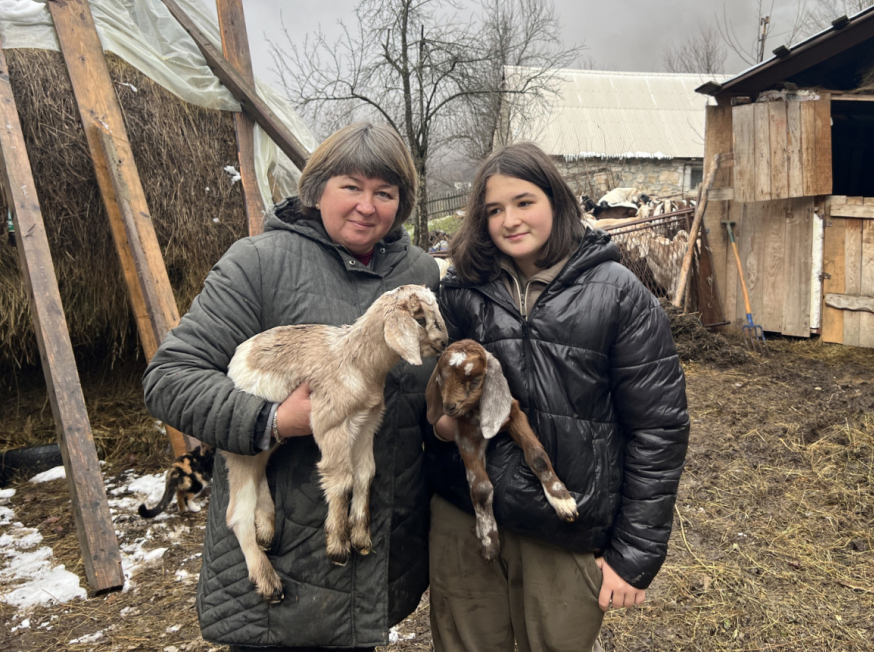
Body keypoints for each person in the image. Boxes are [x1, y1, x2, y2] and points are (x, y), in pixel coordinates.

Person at [143, 122, 439, 651]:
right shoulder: (258, 264)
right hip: (284, 561)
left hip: (373, 548)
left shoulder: (418, 276)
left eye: (385, 193)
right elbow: (169, 379)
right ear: (317, 187)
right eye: (351, 186)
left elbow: (418, 395)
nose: (367, 207)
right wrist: (273, 421)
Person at [426, 142, 690, 652]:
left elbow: (659, 428)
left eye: (524, 202)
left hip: (564, 531)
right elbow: (426, 394)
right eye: (494, 210)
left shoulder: (616, 292)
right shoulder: (459, 290)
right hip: (465, 518)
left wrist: (633, 555)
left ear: (555, 200)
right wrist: (436, 425)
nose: (509, 220)